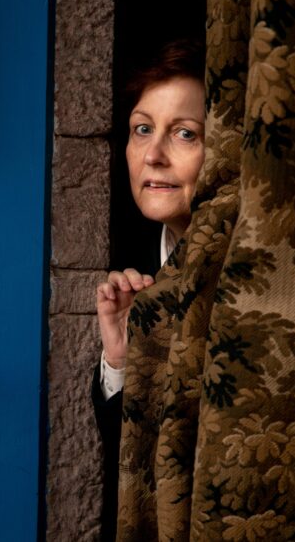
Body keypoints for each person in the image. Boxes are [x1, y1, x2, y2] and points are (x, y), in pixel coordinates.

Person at [92, 39, 205, 542]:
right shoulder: (137, 265)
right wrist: (122, 360)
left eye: (184, 134)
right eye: (143, 129)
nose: (154, 155)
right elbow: (133, 463)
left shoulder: (256, 275)